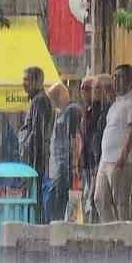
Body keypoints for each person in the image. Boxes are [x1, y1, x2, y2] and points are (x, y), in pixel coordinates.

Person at [95, 64, 132, 223]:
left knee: (121, 203)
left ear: (130, 81)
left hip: (122, 160)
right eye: (114, 77)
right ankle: (111, 236)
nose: (115, 80)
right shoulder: (116, 103)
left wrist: (123, 155)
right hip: (106, 159)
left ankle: (126, 239)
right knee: (100, 199)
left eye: (120, 77)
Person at [18, 66, 55, 223]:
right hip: (34, 161)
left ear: (37, 81)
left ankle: (35, 230)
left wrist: (32, 166)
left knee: (34, 199)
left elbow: (37, 135)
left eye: (26, 79)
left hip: (34, 162)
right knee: (35, 199)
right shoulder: (39, 100)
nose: (23, 83)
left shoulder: (39, 101)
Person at [45, 82, 82, 224]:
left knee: (64, 199)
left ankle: (63, 226)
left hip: (65, 165)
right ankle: (61, 224)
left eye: (54, 98)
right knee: (59, 199)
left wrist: (74, 165)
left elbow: (75, 137)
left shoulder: (72, 110)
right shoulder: (61, 113)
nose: (52, 103)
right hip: (60, 165)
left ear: (61, 95)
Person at [78, 77, 108, 223]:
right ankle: (91, 224)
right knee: (88, 198)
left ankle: (97, 226)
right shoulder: (88, 111)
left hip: (98, 161)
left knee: (96, 197)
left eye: (86, 88)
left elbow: (99, 136)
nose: (82, 92)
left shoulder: (103, 110)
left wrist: (97, 161)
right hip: (88, 162)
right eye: (82, 88)